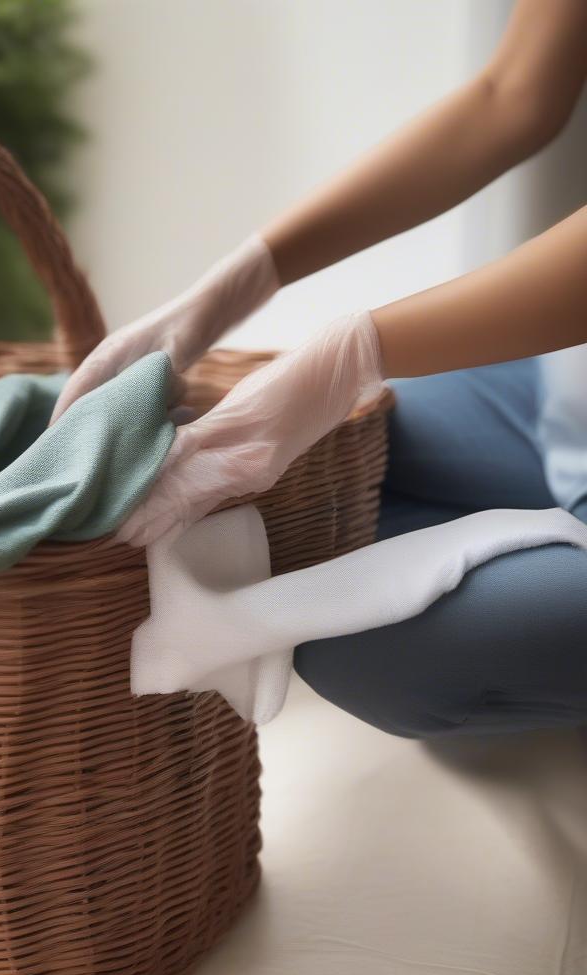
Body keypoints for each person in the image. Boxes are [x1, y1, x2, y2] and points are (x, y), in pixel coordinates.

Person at [51, 0, 587, 739]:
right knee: (317, 496)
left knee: (359, 649)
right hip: (562, 395)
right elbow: (513, 92)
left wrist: (349, 355)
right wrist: (230, 288)